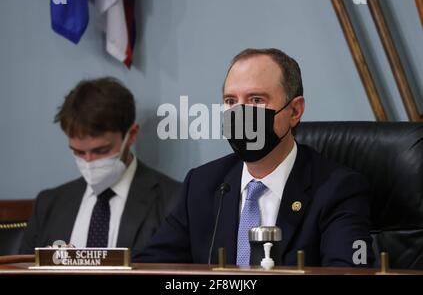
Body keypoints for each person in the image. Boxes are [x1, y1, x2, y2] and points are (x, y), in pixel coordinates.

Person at [134, 48, 374, 267]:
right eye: (231, 101)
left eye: (256, 100)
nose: (240, 114)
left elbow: (349, 273)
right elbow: (150, 267)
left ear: (295, 111)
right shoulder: (202, 184)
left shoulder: (338, 190)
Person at [20, 77, 182, 255]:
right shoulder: (48, 204)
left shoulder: (173, 201)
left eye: (101, 151)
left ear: (132, 135)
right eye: (79, 152)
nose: (89, 162)